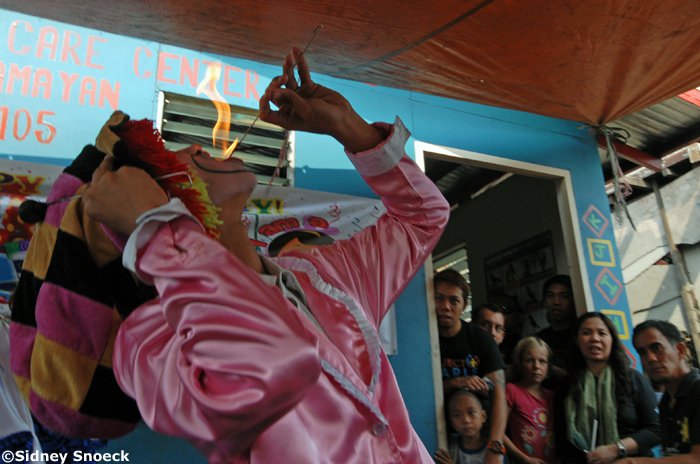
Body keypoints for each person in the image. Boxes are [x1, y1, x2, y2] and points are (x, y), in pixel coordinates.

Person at [81, 47, 450, 463]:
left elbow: (423, 218)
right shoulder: (151, 344)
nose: (199, 147)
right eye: (169, 159)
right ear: (153, 208)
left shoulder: (322, 275)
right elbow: (271, 364)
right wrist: (157, 233)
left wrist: (345, 125)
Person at [554, 313, 661, 463]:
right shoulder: (566, 386)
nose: (595, 338)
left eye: (602, 333)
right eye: (586, 333)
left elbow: (655, 430)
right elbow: (561, 440)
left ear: (612, 339)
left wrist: (616, 449)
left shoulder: (634, 379)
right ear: (577, 340)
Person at [435, 269, 508, 462]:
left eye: (454, 300)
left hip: (484, 439)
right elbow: (423, 394)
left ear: (464, 305)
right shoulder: (423, 341)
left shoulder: (482, 339)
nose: (446, 306)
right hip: (443, 440)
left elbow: (499, 395)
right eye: (439, 299)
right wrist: (456, 382)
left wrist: (495, 447)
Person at [619, 320, 700, 462]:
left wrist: (633, 462)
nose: (650, 358)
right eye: (642, 352)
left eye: (656, 348)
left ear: (680, 350)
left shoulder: (697, 390)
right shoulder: (665, 403)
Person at [504, 336, 555, 464]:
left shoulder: (552, 396)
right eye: (529, 360)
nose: (536, 366)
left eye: (542, 361)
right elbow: (498, 431)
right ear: (519, 363)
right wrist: (524, 458)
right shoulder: (512, 391)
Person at [536, 274, 578, 376]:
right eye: (550, 296)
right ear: (544, 301)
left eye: (564, 296)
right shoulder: (539, 340)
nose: (556, 302)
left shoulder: (580, 336)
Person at [435, 389, 490, 464]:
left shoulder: (493, 446)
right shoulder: (450, 445)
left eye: (471, 412)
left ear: (483, 416)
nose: (466, 420)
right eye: (457, 415)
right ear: (451, 422)